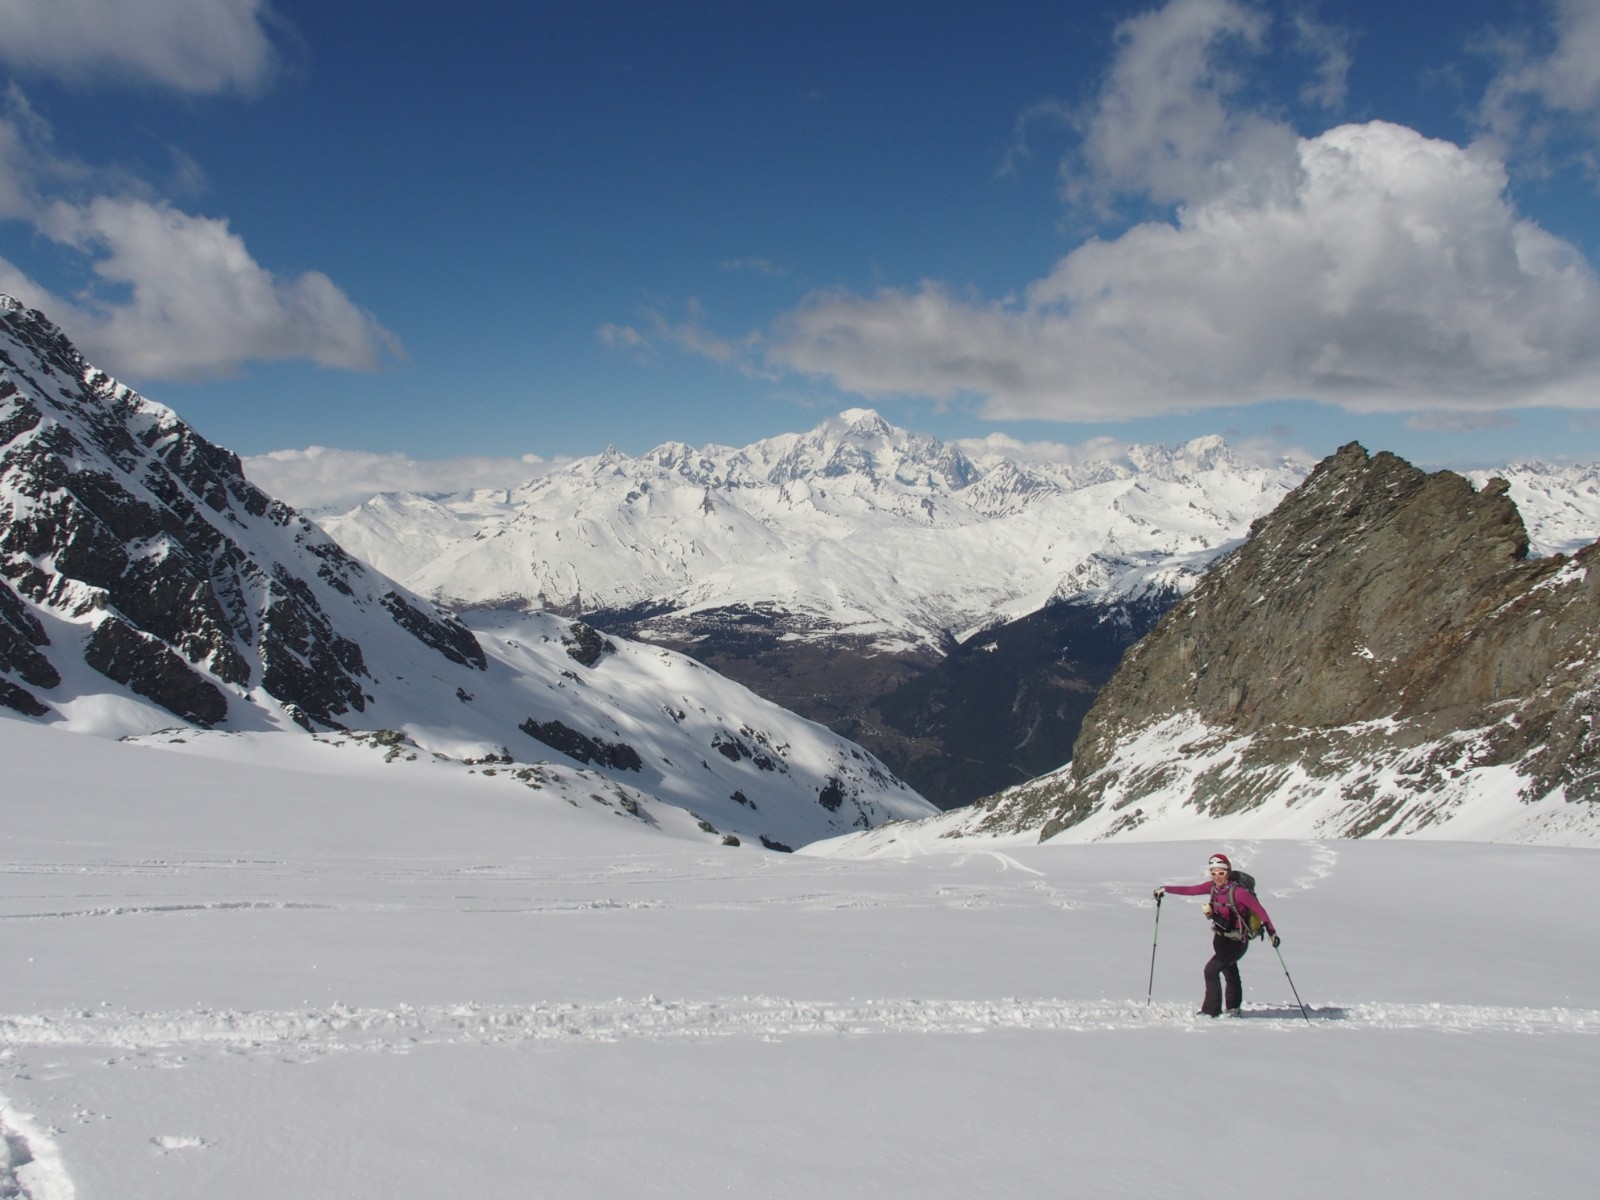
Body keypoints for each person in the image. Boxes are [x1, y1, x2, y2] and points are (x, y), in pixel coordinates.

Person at [1154, 853, 1280, 1017]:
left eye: (1221, 873)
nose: (1217, 877)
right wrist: (1166, 889)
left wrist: (1272, 933)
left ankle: (1211, 1010)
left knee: (1210, 971)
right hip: (1220, 938)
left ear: (1228, 872)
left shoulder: (1239, 893)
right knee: (1230, 971)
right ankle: (1233, 1008)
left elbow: (1260, 910)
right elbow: (1191, 890)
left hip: (1237, 941)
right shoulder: (1212, 887)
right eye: (1213, 873)